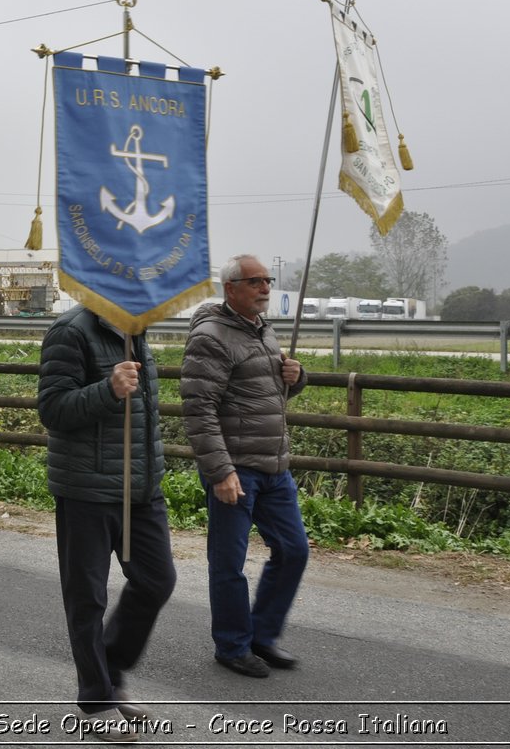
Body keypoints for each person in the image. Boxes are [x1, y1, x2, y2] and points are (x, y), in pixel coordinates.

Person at [36, 303, 174, 743]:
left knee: (156, 581)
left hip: (141, 490)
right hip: (87, 490)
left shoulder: (139, 332)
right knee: (87, 598)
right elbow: (53, 409)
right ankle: (96, 699)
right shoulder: (71, 331)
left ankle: (110, 671)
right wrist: (108, 389)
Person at [181, 254, 310, 679]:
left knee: (293, 551)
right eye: (255, 281)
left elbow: (266, 399)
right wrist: (220, 472)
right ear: (230, 288)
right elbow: (199, 410)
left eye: (267, 280)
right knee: (229, 563)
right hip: (236, 468)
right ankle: (233, 645)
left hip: (274, 467)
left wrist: (295, 377)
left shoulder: (263, 331)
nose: (265, 288)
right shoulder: (212, 337)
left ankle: (262, 637)